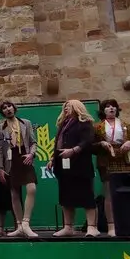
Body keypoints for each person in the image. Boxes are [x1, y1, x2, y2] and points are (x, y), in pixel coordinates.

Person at [46, 99, 99, 237]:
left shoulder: (85, 123)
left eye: (69, 106)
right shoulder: (62, 125)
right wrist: (53, 158)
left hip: (80, 165)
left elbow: (87, 141)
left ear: (77, 107)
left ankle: (92, 227)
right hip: (63, 166)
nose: (65, 108)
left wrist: (74, 150)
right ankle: (68, 227)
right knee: (66, 196)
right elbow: (58, 143)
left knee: (87, 195)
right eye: (64, 106)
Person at [0, 100, 40, 238]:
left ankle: (26, 223)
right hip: (10, 159)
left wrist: (32, 154)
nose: (8, 109)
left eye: (9, 106)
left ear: (14, 108)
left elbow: (33, 142)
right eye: (4, 108)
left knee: (31, 188)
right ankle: (19, 226)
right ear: (2, 112)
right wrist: (0, 168)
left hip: (24, 156)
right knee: (14, 193)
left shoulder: (25, 122)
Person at [94, 99, 130, 237]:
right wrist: (101, 143)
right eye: (108, 107)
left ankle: (129, 223)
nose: (111, 108)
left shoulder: (126, 125)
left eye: (114, 106)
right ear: (103, 111)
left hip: (124, 159)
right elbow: (92, 146)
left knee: (127, 192)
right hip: (107, 160)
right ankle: (111, 227)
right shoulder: (98, 127)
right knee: (109, 193)